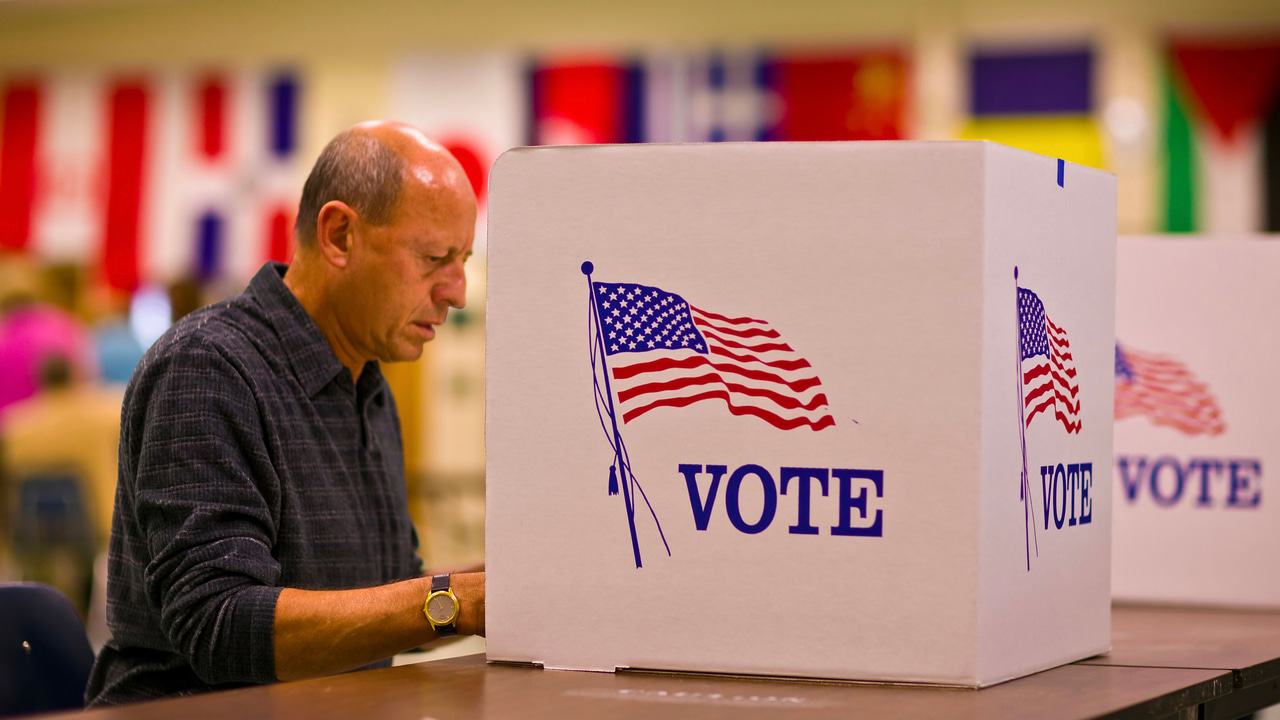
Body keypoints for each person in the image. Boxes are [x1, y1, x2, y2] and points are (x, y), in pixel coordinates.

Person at [85, 122, 485, 706]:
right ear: (340, 235)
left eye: (463, 259)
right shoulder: (206, 368)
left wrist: (500, 587)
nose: (458, 290)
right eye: (433, 258)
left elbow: (390, 600)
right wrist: (458, 604)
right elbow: (219, 624)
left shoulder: (368, 389)